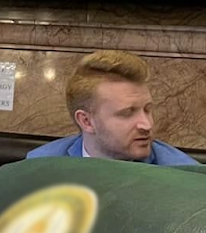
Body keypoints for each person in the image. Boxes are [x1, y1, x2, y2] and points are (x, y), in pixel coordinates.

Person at [25, 48, 196, 165]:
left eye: (147, 109)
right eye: (128, 113)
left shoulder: (183, 175)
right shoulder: (40, 166)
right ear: (86, 121)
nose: (147, 125)